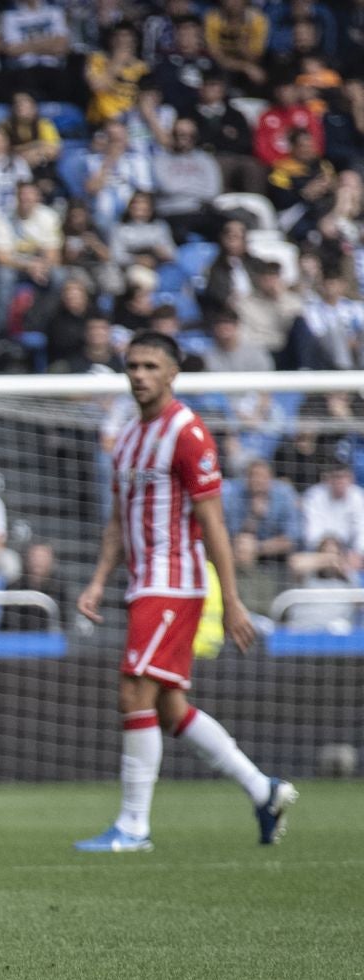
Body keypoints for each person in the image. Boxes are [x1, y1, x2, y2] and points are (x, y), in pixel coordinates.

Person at [73, 331, 296, 853]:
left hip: (176, 582)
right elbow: (117, 520)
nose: (140, 375)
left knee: (133, 691)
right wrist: (99, 578)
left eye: (151, 366)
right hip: (143, 582)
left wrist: (234, 598)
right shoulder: (127, 437)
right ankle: (263, 791)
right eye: (132, 366)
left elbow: (213, 521)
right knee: (170, 708)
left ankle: (133, 826)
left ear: (172, 373)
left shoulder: (188, 432)